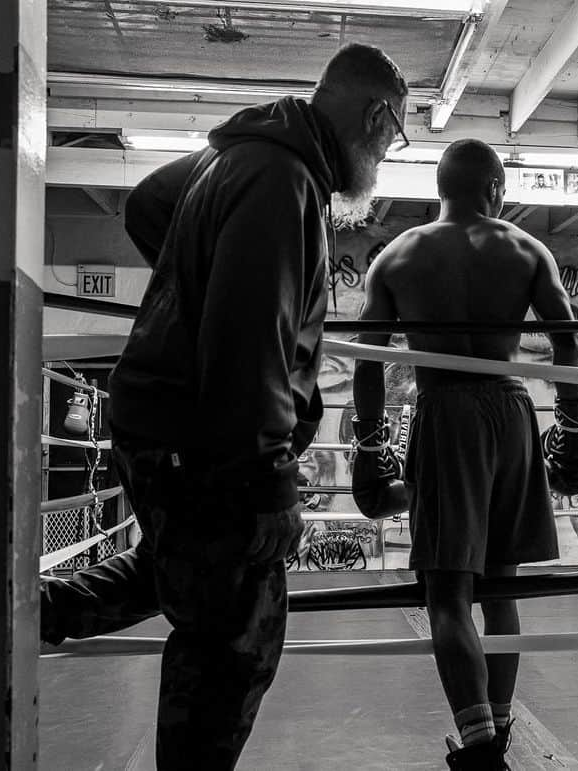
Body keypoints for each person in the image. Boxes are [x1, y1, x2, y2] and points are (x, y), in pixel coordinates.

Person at [39, 43, 408, 770]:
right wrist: (270, 478)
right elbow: (251, 341)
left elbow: (149, 204)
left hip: (167, 425)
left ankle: (28, 609)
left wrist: (192, 279)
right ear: (374, 116)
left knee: (182, 568)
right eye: (393, 135)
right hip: (208, 435)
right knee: (239, 635)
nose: (387, 154)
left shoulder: (246, 150)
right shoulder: (284, 178)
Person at [351, 138, 578, 769]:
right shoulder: (525, 247)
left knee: (447, 595)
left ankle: (482, 749)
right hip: (511, 411)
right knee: (501, 589)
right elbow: (568, 345)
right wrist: (573, 426)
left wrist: (370, 444)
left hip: (445, 410)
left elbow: (371, 360)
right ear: (496, 187)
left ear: (441, 187)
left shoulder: (397, 255)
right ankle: (499, 731)